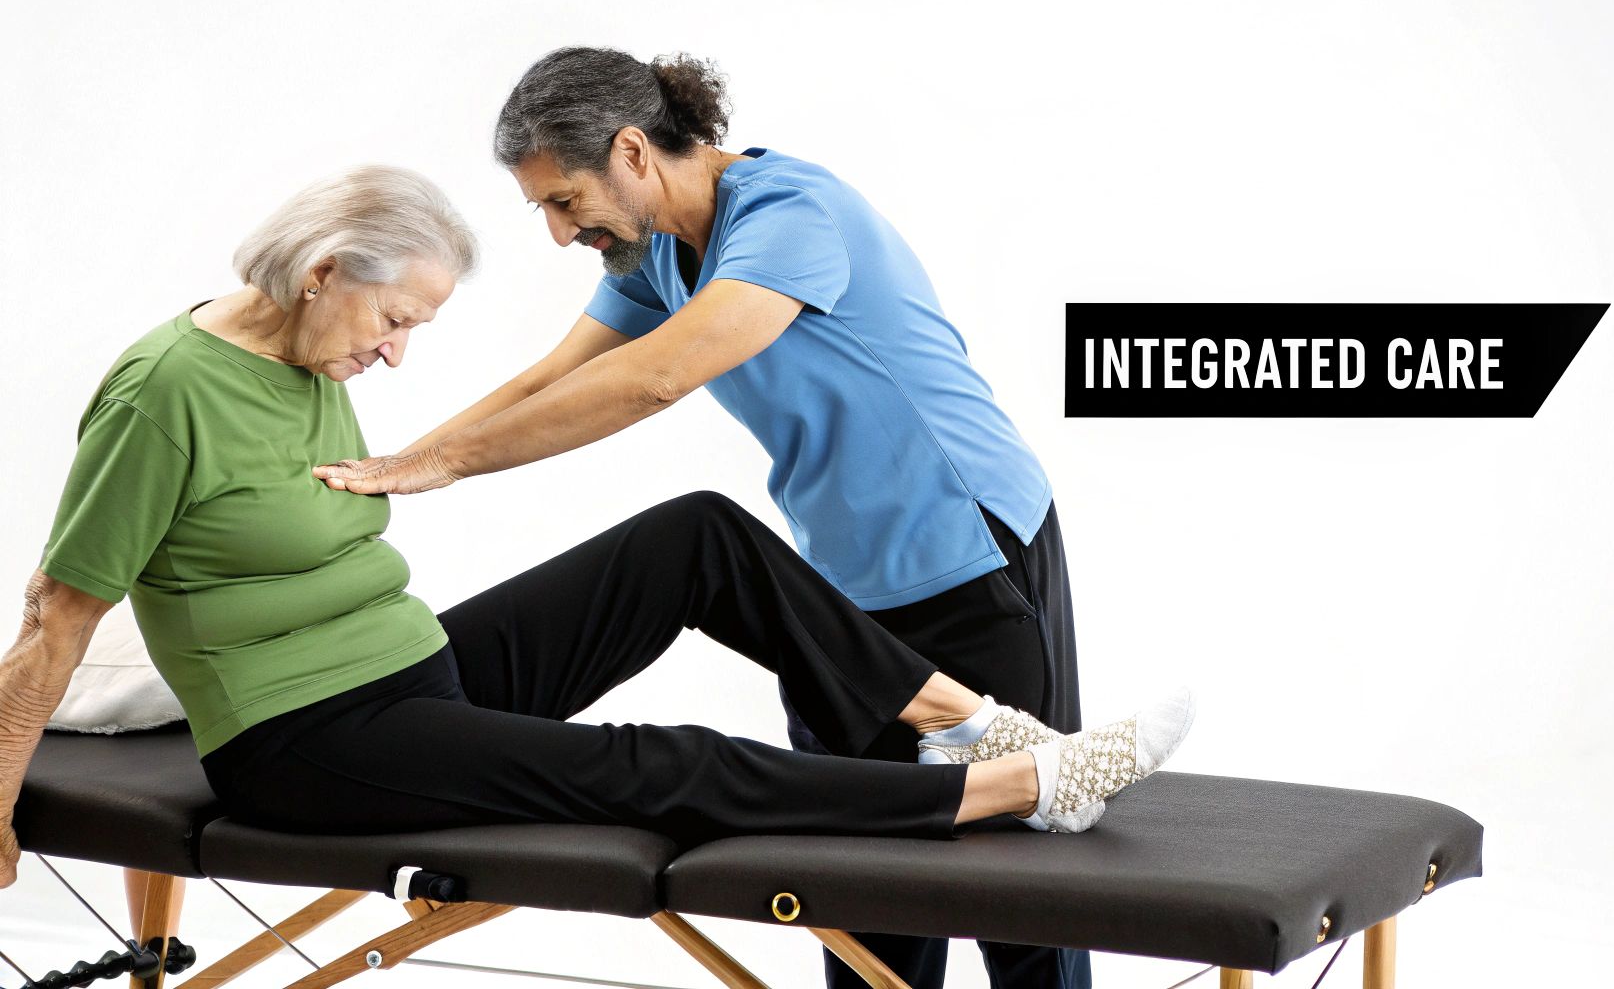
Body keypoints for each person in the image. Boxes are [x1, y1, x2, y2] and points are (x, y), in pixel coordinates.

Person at [0, 166, 1196, 903]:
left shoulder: (309, 349)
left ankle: (969, 719)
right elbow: (58, 612)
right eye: (393, 321)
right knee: (657, 758)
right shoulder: (166, 393)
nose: (395, 353)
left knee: (696, 537)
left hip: (419, 677)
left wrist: (428, 461)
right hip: (308, 743)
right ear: (319, 273)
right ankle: (1014, 787)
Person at [311, 46, 1096, 989]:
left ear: (633, 153)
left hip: (970, 551)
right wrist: (396, 465)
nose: (561, 235)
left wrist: (442, 465)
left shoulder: (789, 216)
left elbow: (654, 378)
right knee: (860, 896)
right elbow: (550, 378)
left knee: (1021, 902)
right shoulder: (656, 254)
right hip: (838, 591)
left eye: (565, 202)